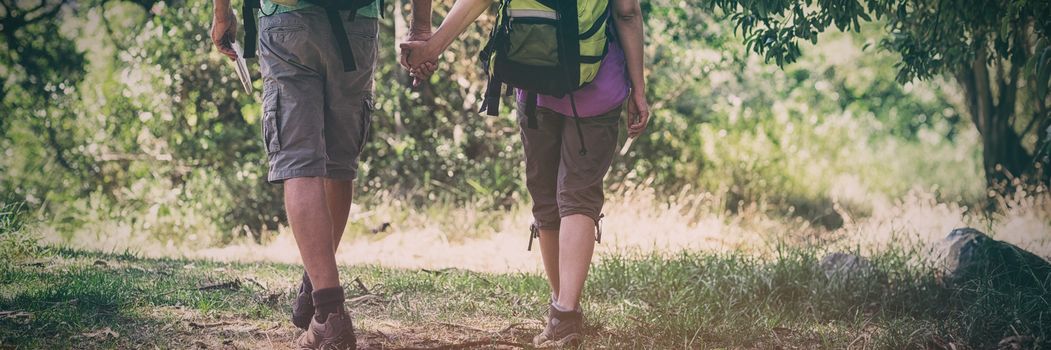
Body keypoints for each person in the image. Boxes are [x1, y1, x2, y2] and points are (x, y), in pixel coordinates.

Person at [399, 0, 650, 346]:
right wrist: (639, 87)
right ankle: (565, 311)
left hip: (534, 84)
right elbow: (627, 12)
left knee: (547, 200)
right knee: (579, 197)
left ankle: (562, 311)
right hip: (597, 87)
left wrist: (433, 46)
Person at [210, 0, 432, 347]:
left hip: (287, 21)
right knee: (338, 163)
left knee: (300, 161)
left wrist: (222, 14)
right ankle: (316, 287)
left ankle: (328, 312)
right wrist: (421, 27)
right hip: (356, 19)